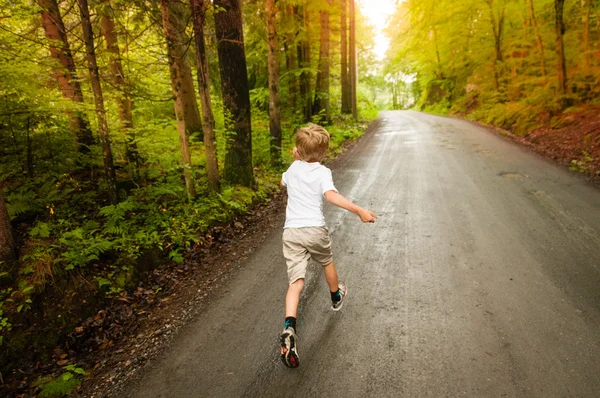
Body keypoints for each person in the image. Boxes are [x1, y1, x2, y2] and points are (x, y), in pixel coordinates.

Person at [280, 123, 377, 368]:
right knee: (326, 261)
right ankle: (335, 296)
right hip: (314, 229)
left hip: (291, 232)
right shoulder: (323, 172)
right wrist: (359, 210)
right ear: (323, 154)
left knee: (296, 282)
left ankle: (289, 326)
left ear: (297, 151)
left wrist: (296, 160)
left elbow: (284, 184)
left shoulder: (292, 169)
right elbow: (332, 196)